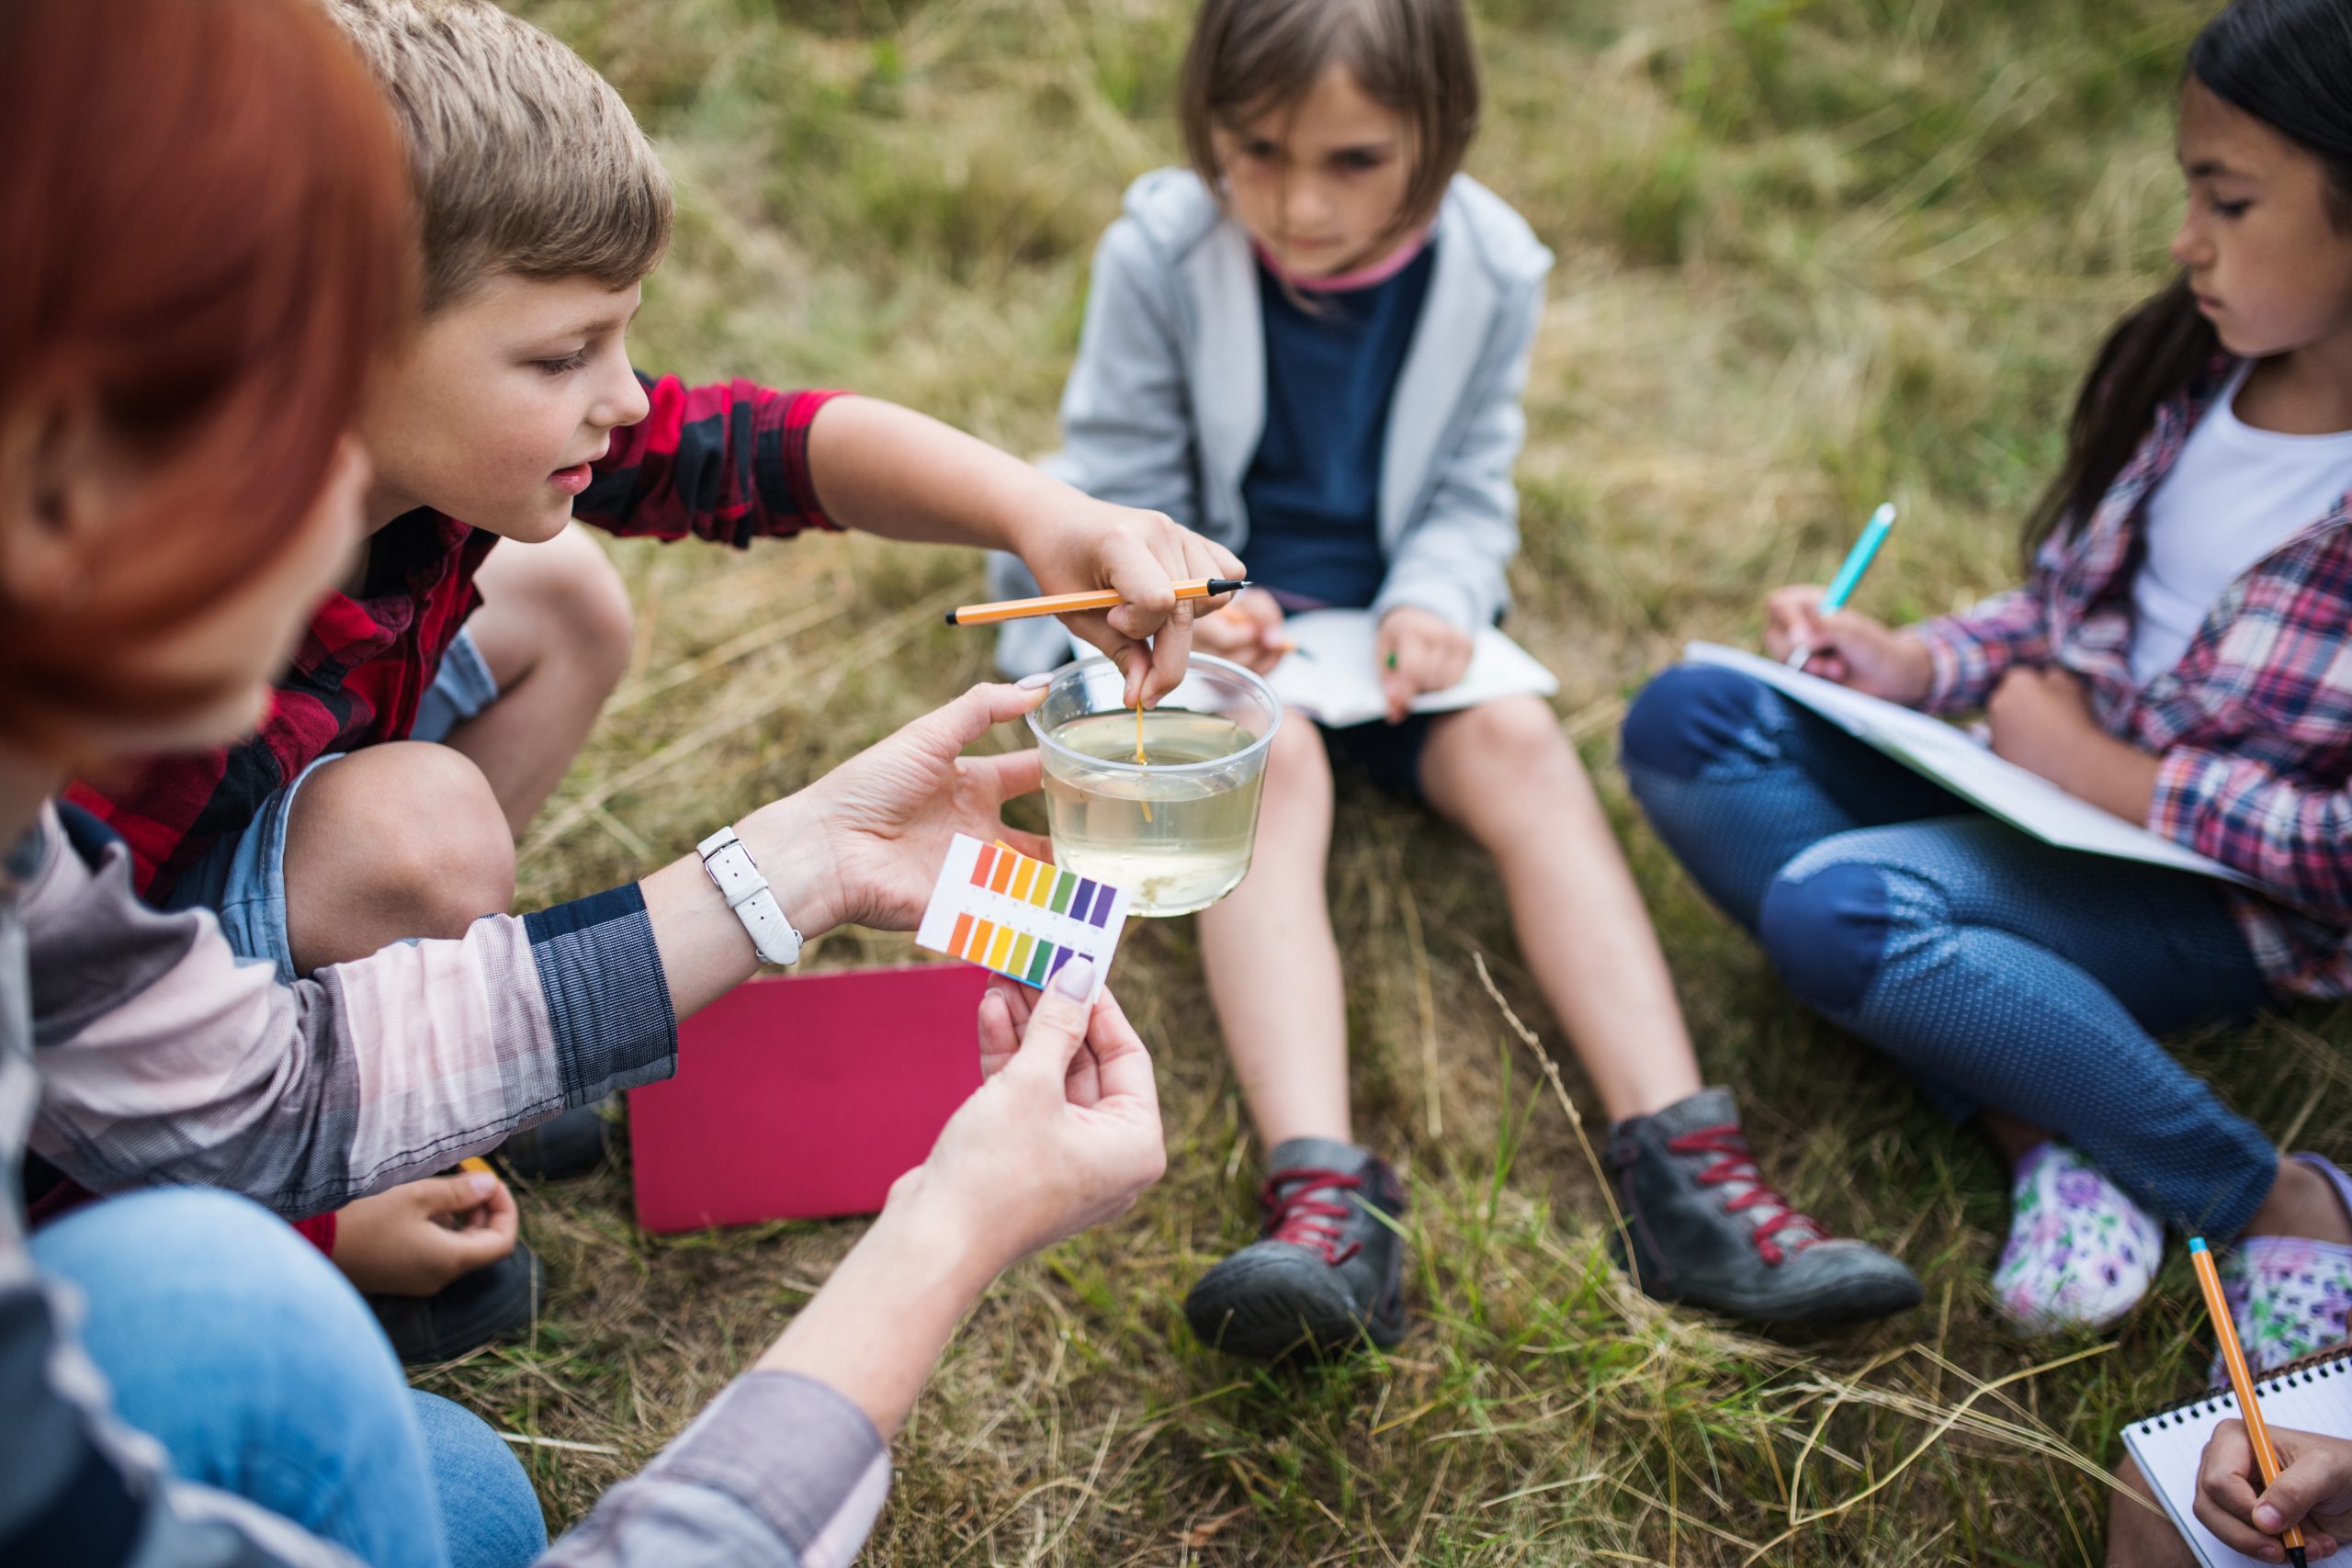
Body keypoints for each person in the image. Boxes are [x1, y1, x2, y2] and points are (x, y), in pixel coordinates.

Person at [3, 2, 1168, 1562]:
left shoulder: (48, 838)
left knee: (472, 1498)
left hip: (174, 1052)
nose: (624, 399)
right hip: (114, 1167)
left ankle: (459, 1070)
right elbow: (105, 1130)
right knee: (416, 838)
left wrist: (815, 845)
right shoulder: (98, 775)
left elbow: (220, 1090)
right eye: (564, 355)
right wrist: (943, 1231)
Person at [987, 0, 1920, 1359]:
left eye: (1353, 161)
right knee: (1279, 767)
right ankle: (1324, 1204)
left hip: (1391, 638)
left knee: (1525, 748)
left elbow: (1473, 487)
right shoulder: (1163, 251)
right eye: (1255, 150)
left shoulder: (1492, 263)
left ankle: (1691, 1184)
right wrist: (1195, 601)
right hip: (1202, 632)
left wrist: (1436, 597)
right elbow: (1117, 481)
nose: (1299, 202)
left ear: (1439, 136)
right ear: (1206, 127)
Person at [1622, 0, 2352, 1360]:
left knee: (1838, 909)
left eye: (2230, 200)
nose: (2186, 238)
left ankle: (2271, 1202)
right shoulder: (2196, 371)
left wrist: (2109, 777)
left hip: (2215, 898)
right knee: (1690, 719)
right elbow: (2072, 611)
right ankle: (2044, 1125)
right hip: (2039, 789)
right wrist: (1919, 662)